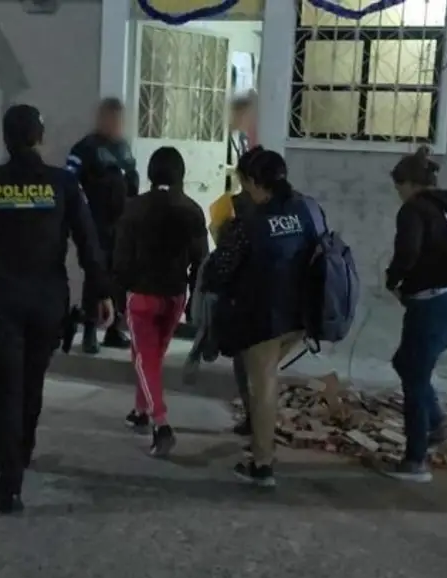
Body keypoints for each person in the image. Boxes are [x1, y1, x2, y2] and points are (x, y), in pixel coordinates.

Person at [0, 104, 113, 514]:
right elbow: (88, 241)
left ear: (6, 139)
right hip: (48, 298)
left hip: (2, 298)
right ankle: (24, 451)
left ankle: (9, 485)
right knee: (32, 383)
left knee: (7, 392)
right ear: (40, 137)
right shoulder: (62, 184)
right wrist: (102, 292)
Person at [202, 150, 320, 487]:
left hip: (264, 316)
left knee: (263, 386)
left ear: (254, 182)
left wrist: (220, 238)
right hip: (301, 314)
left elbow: (218, 271)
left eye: (244, 182)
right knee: (267, 379)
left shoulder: (249, 223)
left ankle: (262, 465)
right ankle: (260, 447)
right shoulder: (306, 208)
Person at [381, 146, 447, 483]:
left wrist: (393, 280)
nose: (399, 195)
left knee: (415, 376)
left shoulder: (414, 210)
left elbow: (407, 252)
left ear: (410, 184)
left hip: (434, 305)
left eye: (399, 188)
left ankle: (416, 460)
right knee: (407, 364)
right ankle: (438, 425)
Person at [114, 146, 208, 457]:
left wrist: (118, 296)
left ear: (151, 173)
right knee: (150, 356)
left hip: (142, 295)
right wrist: (195, 297)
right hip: (174, 297)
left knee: (145, 357)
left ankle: (161, 423)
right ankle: (141, 410)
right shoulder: (193, 210)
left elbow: (122, 258)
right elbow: (201, 260)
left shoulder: (134, 208)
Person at [198, 145, 262, 436]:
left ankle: (257, 425)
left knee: (247, 367)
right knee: (263, 369)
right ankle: (259, 422)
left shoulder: (236, 207)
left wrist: (209, 284)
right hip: (279, 303)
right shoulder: (295, 206)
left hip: (246, 299)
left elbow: (224, 257)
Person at [65, 97, 138, 353]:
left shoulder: (124, 149)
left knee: (120, 277)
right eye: (112, 119)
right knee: (96, 277)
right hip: (95, 223)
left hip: (122, 224)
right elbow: (69, 180)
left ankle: (114, 328)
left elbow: (132, 178)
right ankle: (89, 330)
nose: (116, 124)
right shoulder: (85, 148)